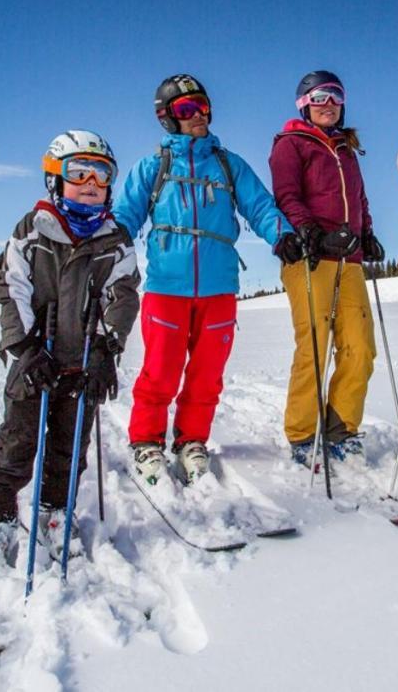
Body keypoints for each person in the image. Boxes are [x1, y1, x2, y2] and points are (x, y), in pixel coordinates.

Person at [113, 74, 296, 486]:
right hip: (166, 288)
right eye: (185, 109)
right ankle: (146, 443)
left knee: (206, 374)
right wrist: (107, 246)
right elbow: (125, 216)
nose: (198, 115)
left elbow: (261, 206)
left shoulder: (228, 164)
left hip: (218, 289)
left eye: (202, 105)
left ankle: (191, 441)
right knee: (160, 370)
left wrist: (281, 235)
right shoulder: (153, 167)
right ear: (167, 118)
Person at [0, 130, 140, 558]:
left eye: (101, 175)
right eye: (78, 172)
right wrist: (24, 349)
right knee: (16, 443)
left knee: (69, 448)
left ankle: (54, 510)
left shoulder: (115, 240)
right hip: (36, 360)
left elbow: (121, 295)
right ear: (55, 179)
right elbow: (11, 289)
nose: (90, 182)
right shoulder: (31, 231)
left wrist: (107, 349)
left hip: (82, 364)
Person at [268, 70, 383, 467]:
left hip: (348, 260)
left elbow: (359, 198)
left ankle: (341, 428)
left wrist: (366, 233)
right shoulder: (290, 144)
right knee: (315, 344)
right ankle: (302, 434)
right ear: (304, 105)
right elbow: (286, 195)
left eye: (335, 96)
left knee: (360, 348)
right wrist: (313, 234)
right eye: (319, 97)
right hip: (309, 257)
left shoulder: (347, 149)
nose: (328, 104)